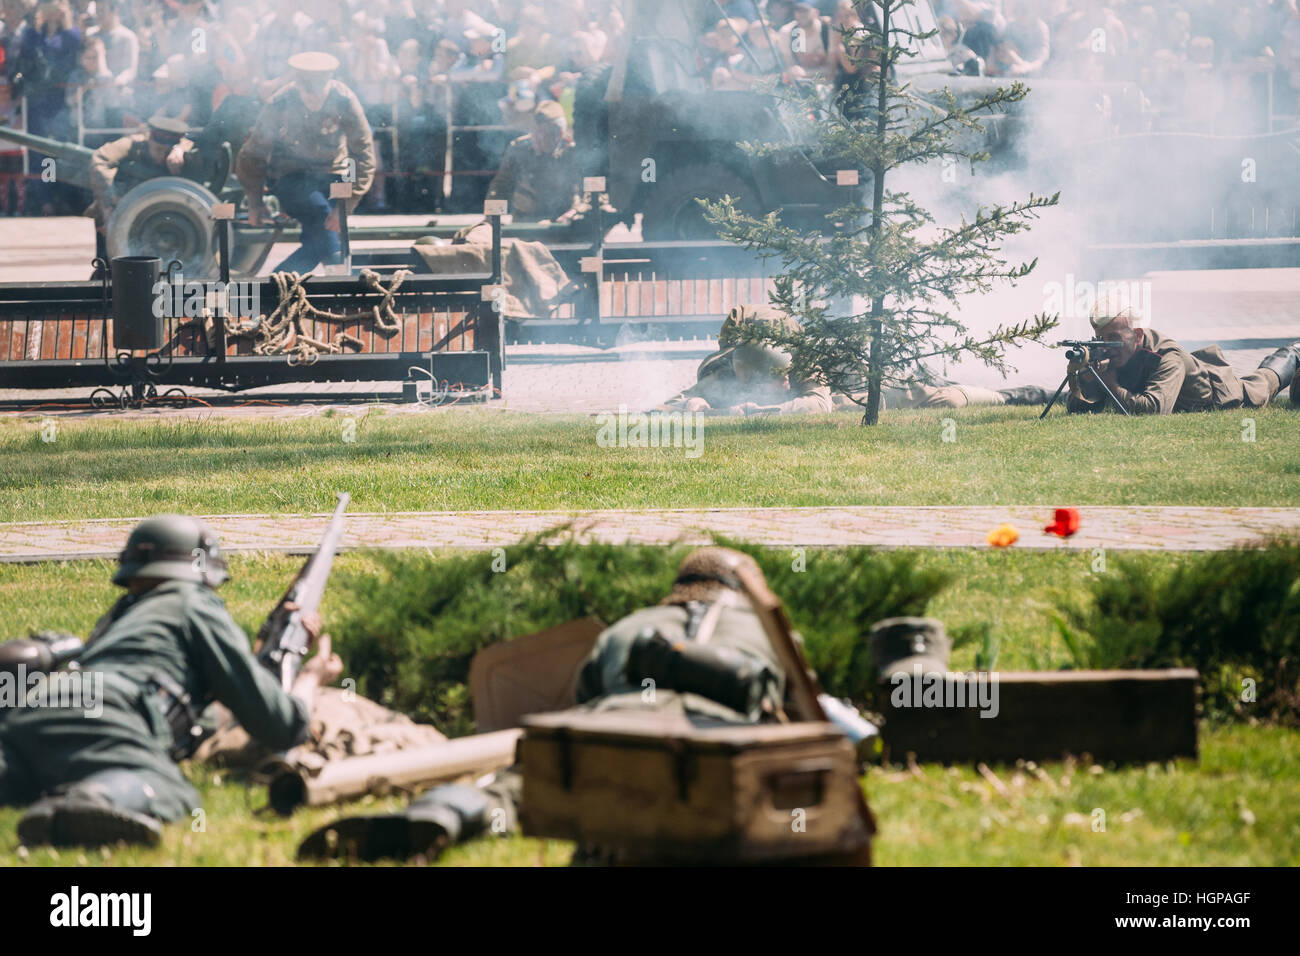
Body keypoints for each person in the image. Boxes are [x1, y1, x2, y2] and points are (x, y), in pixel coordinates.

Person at [297, 547, 797, 863]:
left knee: (521, 783)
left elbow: (587, 696)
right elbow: (798, 713)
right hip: (713, 744)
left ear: (680, 588)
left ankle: (450, 811)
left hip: (614, 732)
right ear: (743, 593)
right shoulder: (769, 631)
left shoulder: (633, 626)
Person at [0, 515, 342, 848]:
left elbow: (210, 711)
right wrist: (310, 678)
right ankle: (90, 800)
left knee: (17, 776)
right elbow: (283, 725)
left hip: (33, 708)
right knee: (171, 791)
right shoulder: (194, 603)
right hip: (109, 713)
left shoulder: (122, 614)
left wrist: (264, 650)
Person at [235, 51, 376, 274]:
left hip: (334, 176)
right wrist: (255, 201)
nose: (314, 100)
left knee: (319, 235)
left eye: (319, 92)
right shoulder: (279, 103)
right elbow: (252, 155)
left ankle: (278, 285)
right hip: (292, 178)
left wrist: (346, 204)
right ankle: (341, 278)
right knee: (322, 216)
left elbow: (363, 154)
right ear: (297, 84)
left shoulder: (344, 100)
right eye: (308, 93)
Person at [1067, 296, 1300, 415]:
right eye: (1101, 339)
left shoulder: (1167, 356)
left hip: (1223, 395)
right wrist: (1087, 382)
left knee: (1264, 380)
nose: (1106, 346)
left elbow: (1153, 411)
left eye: (1113, 338)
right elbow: (1079, 408)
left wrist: (1112, 386)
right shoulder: (1115, 355)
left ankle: (1295, 351)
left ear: (1137, 334)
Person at [660, 305, 834, 416]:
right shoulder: (728, 370)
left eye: (786, 373)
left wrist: (765, 412)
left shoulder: (802, 361)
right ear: (756, 379)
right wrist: (691, 403)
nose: (786, 380)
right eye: (778, 376)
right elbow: (667, 407)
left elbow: (821, 404)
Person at [86, 114, 204, 273]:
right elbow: (99, 159)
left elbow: (195, 148)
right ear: (150, 138)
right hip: (118, 209)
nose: (162, 155)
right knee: (108, 266)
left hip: (159, 217)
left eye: (167, 150)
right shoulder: (132, 144)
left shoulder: (182, 147)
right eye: (158, 149)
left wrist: (182, 150)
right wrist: (108, 207)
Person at [485, 99, 580, 223]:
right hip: (525, 219)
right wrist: (492, 213)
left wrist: (576, 211)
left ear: (560, 133)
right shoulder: (518, 149)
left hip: (562, 221)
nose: (539, 138)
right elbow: (502, 183)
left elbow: (586, 192)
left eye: (545, 133)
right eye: (535, 131)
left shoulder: (572, 152)